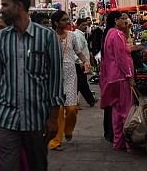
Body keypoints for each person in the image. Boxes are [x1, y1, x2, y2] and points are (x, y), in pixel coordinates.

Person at [0, 0, 63, 171]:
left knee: (37, 165)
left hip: (36, 118)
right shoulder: (2, 38)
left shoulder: (47, 37)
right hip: (6, 117)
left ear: (19, 6)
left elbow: (54, 80)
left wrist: (53, 119)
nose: (1, 9)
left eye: (5, 4)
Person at [47, 11, 91, 151]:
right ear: (55, 23)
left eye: (68, 19)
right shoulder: (49, 35)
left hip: (70, 74)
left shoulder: (72, 36)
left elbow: (78, 51)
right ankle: (55, 140)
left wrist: (85, 62)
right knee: (58, 109)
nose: (68, 22)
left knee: (71, 109)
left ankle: (69, 129)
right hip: (53, 75)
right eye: (64, 20)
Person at [99, 11, 135, 152]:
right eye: (122, 19)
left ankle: (118, 142)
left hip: (112, 78)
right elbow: (122, 58)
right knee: (126, 111)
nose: (125, 21)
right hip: (121, 77)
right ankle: (128, 144)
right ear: (116, 20)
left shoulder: (109, 34)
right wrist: (129, 75)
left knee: (116, 112)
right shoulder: (118, 35)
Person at [73, 18, 96, 107]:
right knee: (79, 83)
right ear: (78, 25)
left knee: (82, 83)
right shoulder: (78, 36)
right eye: (83, 25)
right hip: (79, 63)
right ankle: (73, 102)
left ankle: (90, 100)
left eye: (86, 25)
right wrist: (81, 62)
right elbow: (77, 50)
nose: (85, 27)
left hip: (82, 62)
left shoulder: (81, 35)